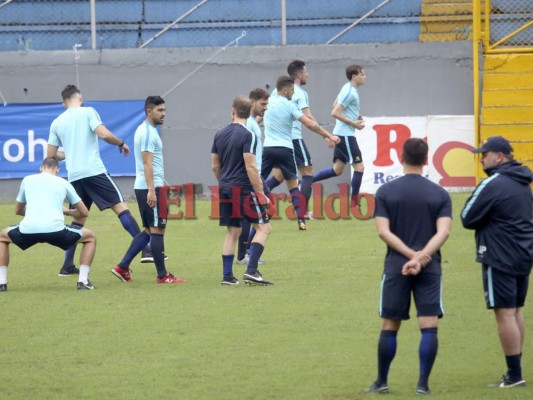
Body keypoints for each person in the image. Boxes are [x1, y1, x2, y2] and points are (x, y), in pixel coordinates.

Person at [366, 138, 452, 395]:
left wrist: (409, 256)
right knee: (428, 324)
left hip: (396, 266)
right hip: (430, 267)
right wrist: (422, 257)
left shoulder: (386, 192)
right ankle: (423, 385)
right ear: (426, 159)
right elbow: (444, 232)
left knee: (390, 324)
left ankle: (382, 381)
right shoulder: (440, 193)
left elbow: (383, 232)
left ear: (401, 157)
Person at [47, 84, 155, 277]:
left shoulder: (57, 122)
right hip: (94, 172)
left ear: (64, 103)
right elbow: (104, 134)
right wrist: (121, 143)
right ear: (79, 97)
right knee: (121, 208)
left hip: (74, 177)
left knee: (77, 219)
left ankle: (67, 265)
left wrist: (70, 154)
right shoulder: (88, 112)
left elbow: (51, 156)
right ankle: (146, 248)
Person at [461, 136, 533, 388]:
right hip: (524, 253)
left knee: (504, 313)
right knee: (515, 311)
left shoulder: (493, 183)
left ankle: (514, 375)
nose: (481, 158)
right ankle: (516, 370)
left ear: (499, 157)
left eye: (485, 154)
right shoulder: (523, 181)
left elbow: (467, 217)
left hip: (498, 254)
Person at [111, 96, 185, 284]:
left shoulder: (148, 131)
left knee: (149, 230)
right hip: (150, 188)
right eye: (160, 110)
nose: (164, 114)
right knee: (158, 229)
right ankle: (162, 276)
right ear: (149, 111)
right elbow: (147, 163)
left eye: (165, 110)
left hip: (146, 187)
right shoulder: (147, 133)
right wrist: (152, 190)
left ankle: (122, 266)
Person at [0, 157, 96, 292]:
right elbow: (84, 212)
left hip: (28, 230)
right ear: (57, 169)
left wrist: (34, 214)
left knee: (3, 237)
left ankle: (1, 283)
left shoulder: (27, 180)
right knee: (90, 237)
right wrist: (67, 211)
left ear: (41, 168)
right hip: (56, 231)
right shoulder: (63, 182)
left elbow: (18, 210)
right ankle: (83, 281)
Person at [262, 76, 340, 230]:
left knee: (257, 181)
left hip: (268, 149)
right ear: (285, 90)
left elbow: (256, 117)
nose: (293, 93)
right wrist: (328, 135)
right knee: (293, 185)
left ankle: (251, 208)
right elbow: (310, 124)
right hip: (285, 149)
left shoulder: (268, 103)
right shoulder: (290, 105)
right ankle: (301, 219)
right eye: (291, 90)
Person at [211, 96, 273, 286]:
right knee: (264, 227)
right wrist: (261, 194)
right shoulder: (248, 135)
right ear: (249, 112)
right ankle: (252, 270)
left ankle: (228, 276)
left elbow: (215, 166)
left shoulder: (219, 134)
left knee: (233, 231)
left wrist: (224, 183)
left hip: (225, 187)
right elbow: (251, 167)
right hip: (243, 188)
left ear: (233, 111)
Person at [266, 60, 321, 217]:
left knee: (279, 176)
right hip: (294, 139)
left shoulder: (276, 92)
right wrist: (325, 134)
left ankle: (258, 196)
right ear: (299, 75)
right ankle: (302, 213)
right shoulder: (300, 93)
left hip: (275, 141)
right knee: (308, 173)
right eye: (306, 72)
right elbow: (307, 116)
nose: (307, 74)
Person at [313, 64, 366, 209]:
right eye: (362, 74)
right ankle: (354, 204)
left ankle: (307, 181)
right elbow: (335, 112)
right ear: (354, 76)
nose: (364, 77)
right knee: (359, 167)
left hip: (341, 133)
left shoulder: (346, 88)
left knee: (337, 169)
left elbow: (334, 104)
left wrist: (354, 117)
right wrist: (353, 123)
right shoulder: (350, 92)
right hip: (345, 136)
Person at [236, 88, 270, 266]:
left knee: (251, 215)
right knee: (249, 216)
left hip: (255, 173)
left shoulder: (252, 122)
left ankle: (246, 251)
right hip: (250, 174)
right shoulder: (247, 125)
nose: (265, 107)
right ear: (253, 102)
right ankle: (243, 254)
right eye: (263, 104)